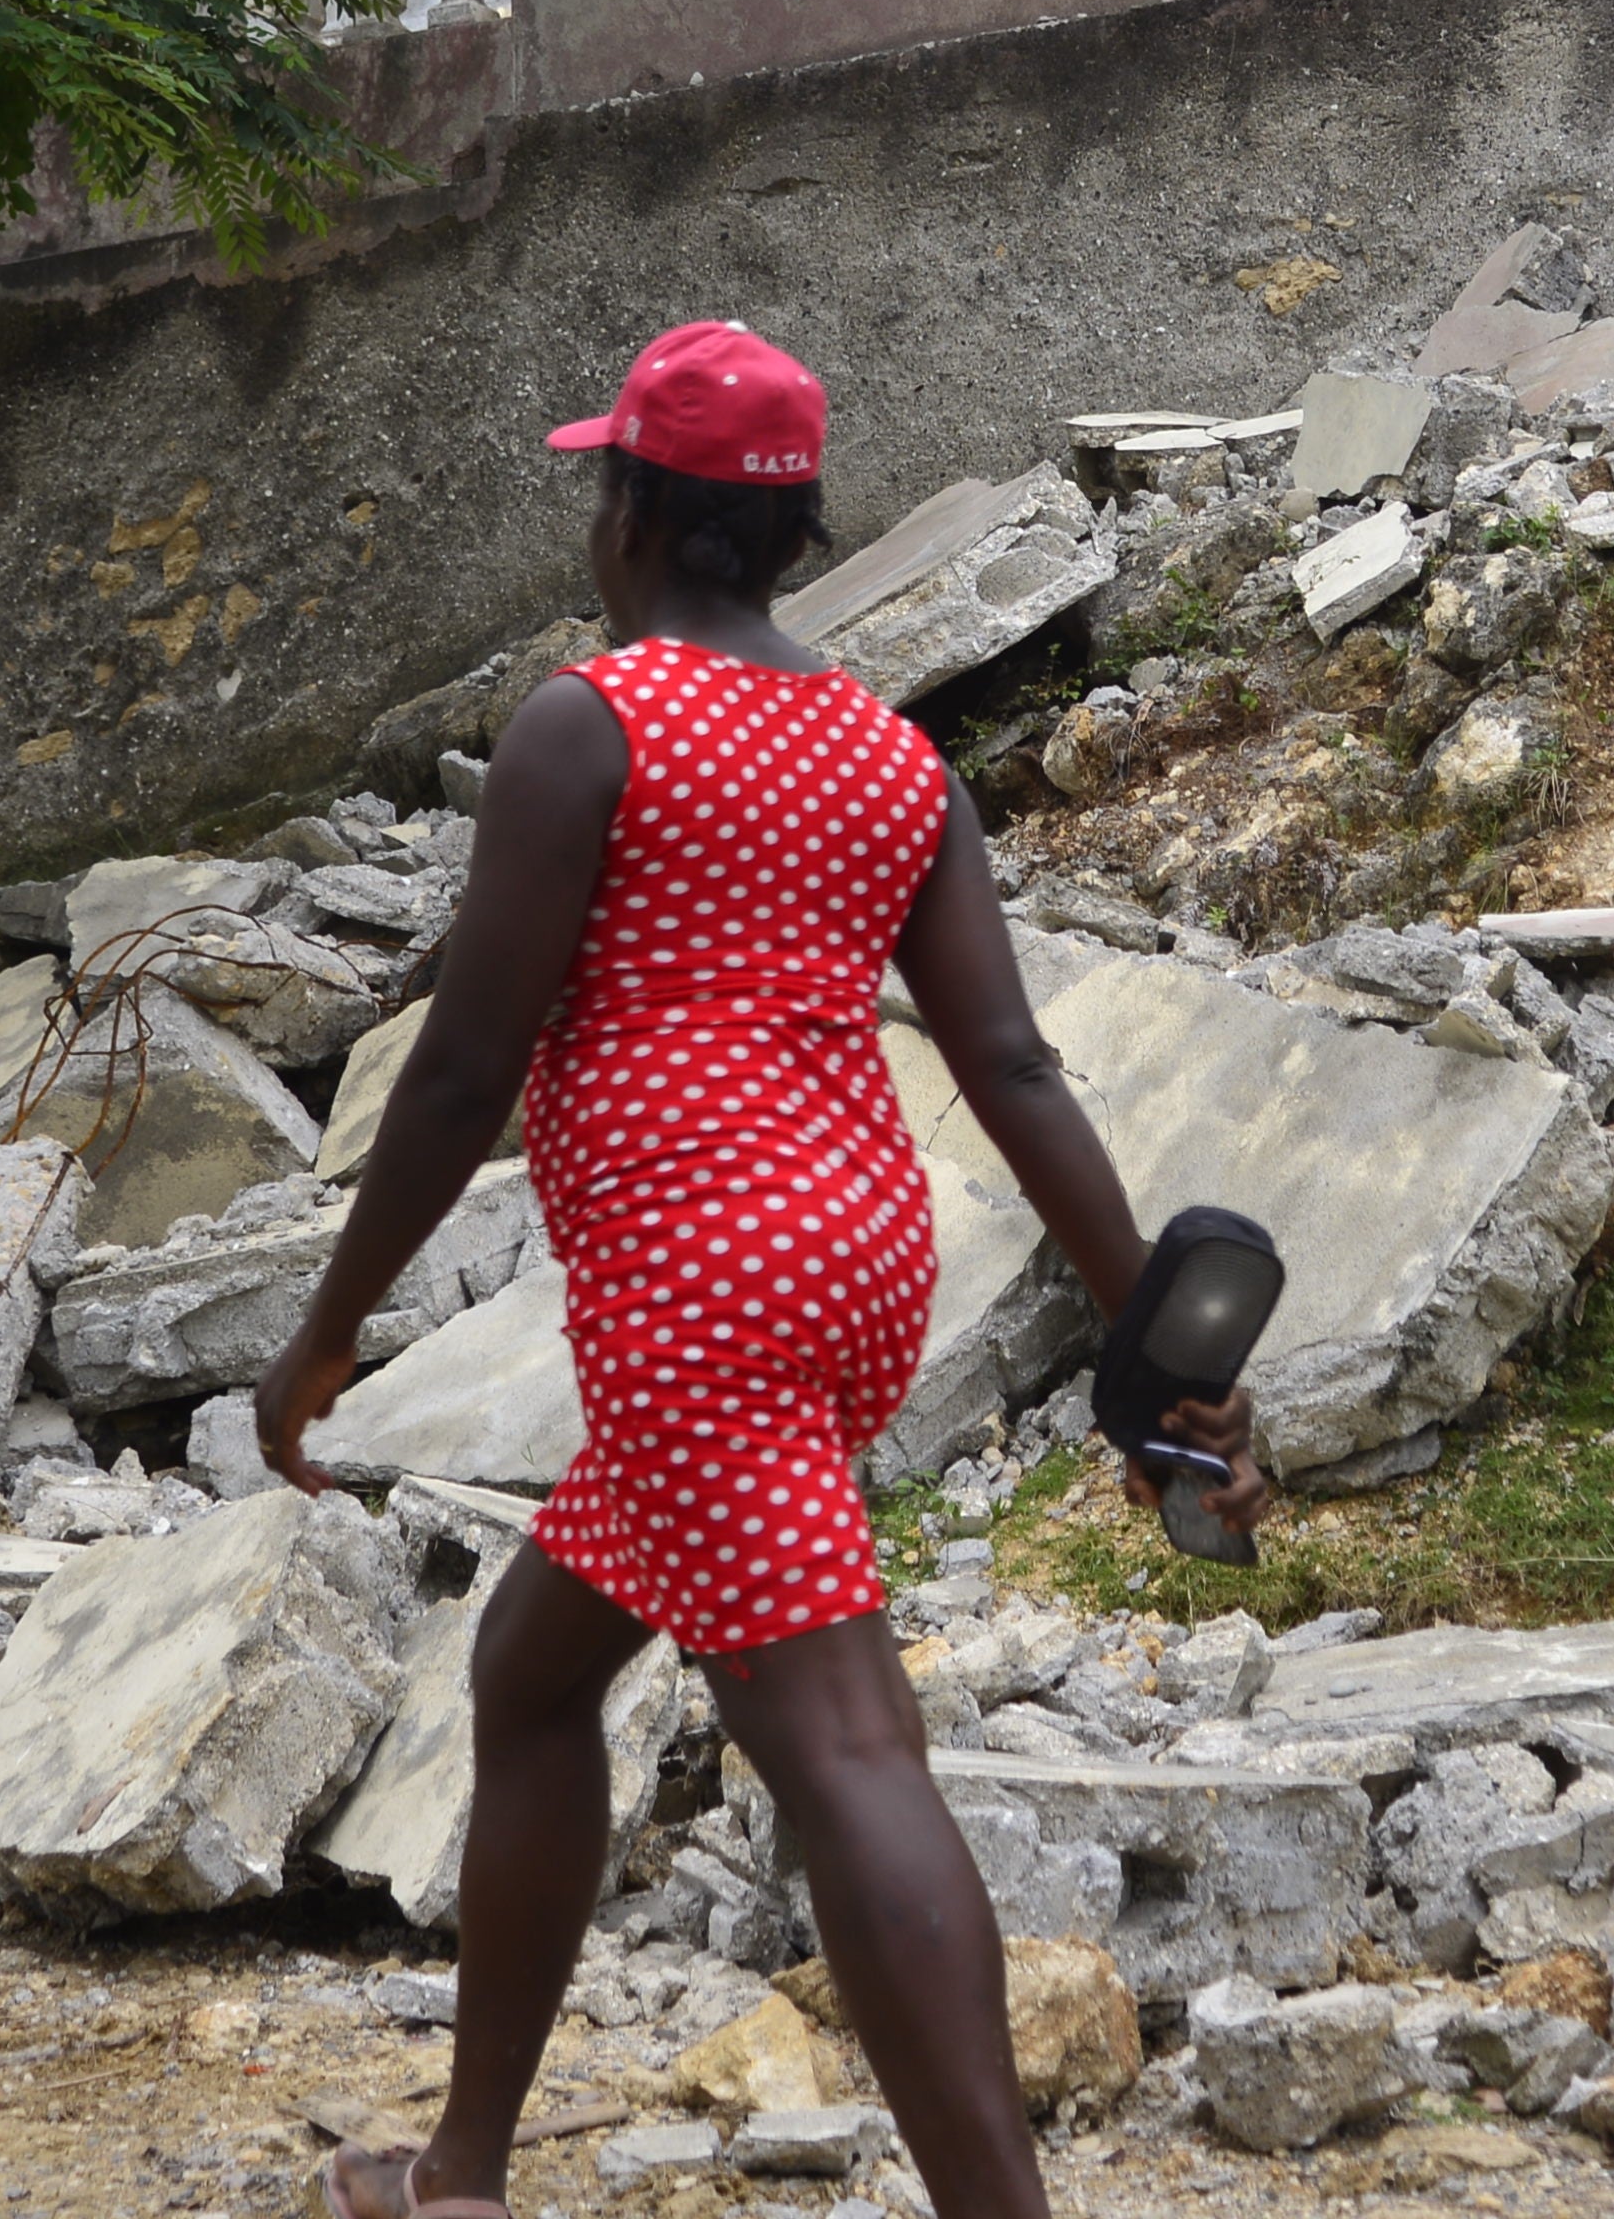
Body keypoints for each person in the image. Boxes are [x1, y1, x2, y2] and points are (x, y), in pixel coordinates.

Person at [256, 323, 1265, 2219]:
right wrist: (1148, 1343)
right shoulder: (890, 755)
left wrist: (329, 1326)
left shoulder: (595, 722)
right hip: (862, 1260)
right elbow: (1015, 1069)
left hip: (696, 1288)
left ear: (630, 517)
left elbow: (468, 1061)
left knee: (845, 1748)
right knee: (531, 1671)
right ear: (794, 537)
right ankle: (462, 2169)